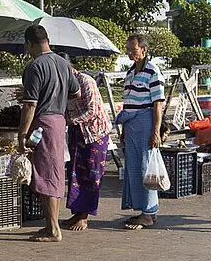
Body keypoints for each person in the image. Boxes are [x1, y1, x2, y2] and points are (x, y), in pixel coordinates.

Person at [17, 26, 80, 243]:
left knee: (47, 176)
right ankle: (49, 225)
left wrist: (21, 134)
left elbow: (29, 105)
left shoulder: (35, 66)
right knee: (50, 173)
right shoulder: (63, 63)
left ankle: (53, 228)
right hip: (58, 122)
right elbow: (76, 91)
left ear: (29, 44)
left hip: (43, 124)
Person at [57, 52, 112, 232]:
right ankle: (77, 212)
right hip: (76, 132)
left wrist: (68, 120)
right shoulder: (63, 84)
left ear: (70, 69)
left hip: (94, 133)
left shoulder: (87, 81)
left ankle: (85, 215)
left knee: (91, 174)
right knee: (74, 172)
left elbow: (92, 111)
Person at [115, 34, 164, 230]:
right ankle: (143, 210)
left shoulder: (153, 71)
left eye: (133, 50)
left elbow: (158, 104)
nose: (129, 53)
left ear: (143, 50)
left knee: (146, 167)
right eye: (127, 49)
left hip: (145, 123)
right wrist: (125, 130)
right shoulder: (129, 73)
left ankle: (149, 213)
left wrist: (156, 131)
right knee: (134, 169)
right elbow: (128, 104)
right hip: (131, 124)